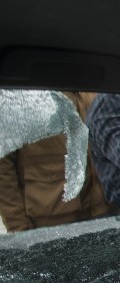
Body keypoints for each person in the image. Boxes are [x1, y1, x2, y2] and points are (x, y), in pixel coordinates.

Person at [0, 92, 114, 232]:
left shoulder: (90, 84)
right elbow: (3, 169)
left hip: (105, 211)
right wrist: (19, 228)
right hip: (50, 223)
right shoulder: (18, 98)